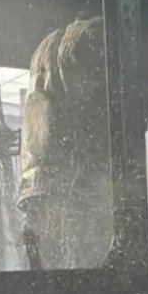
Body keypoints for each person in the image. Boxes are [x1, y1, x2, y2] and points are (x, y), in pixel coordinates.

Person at [17, 14, 113, 268]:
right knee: (91, 274)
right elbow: (124, 115)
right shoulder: (102, 37)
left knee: (47, 280)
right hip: (80, 183)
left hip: (36, 186)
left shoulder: (45, 45)